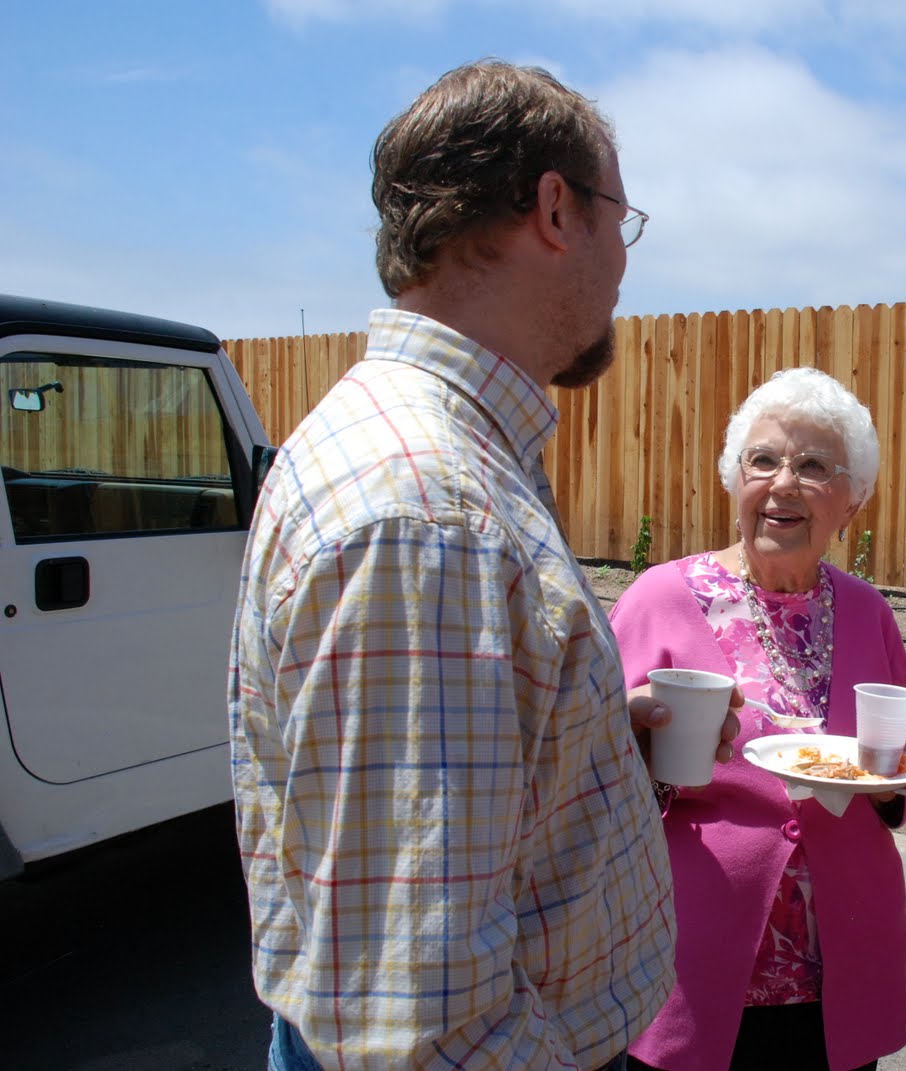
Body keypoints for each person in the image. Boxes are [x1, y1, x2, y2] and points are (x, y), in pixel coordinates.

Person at [229, 59, 734, 1071]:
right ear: (556, 209)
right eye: (621, 222)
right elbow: (426, 1028)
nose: (623, 265)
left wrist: (586, 746)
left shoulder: (433, 460)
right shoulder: (429, 513)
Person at [609, 367, 906, 1071]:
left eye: (812, 466)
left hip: (844, 969)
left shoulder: (868, 611)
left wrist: (885, 780)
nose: (783, 483)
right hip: (692, 966)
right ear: (735, 480)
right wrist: (639, 754)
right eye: (763, 461)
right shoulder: (659, 598)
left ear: (852, 499)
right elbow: (590, 775)